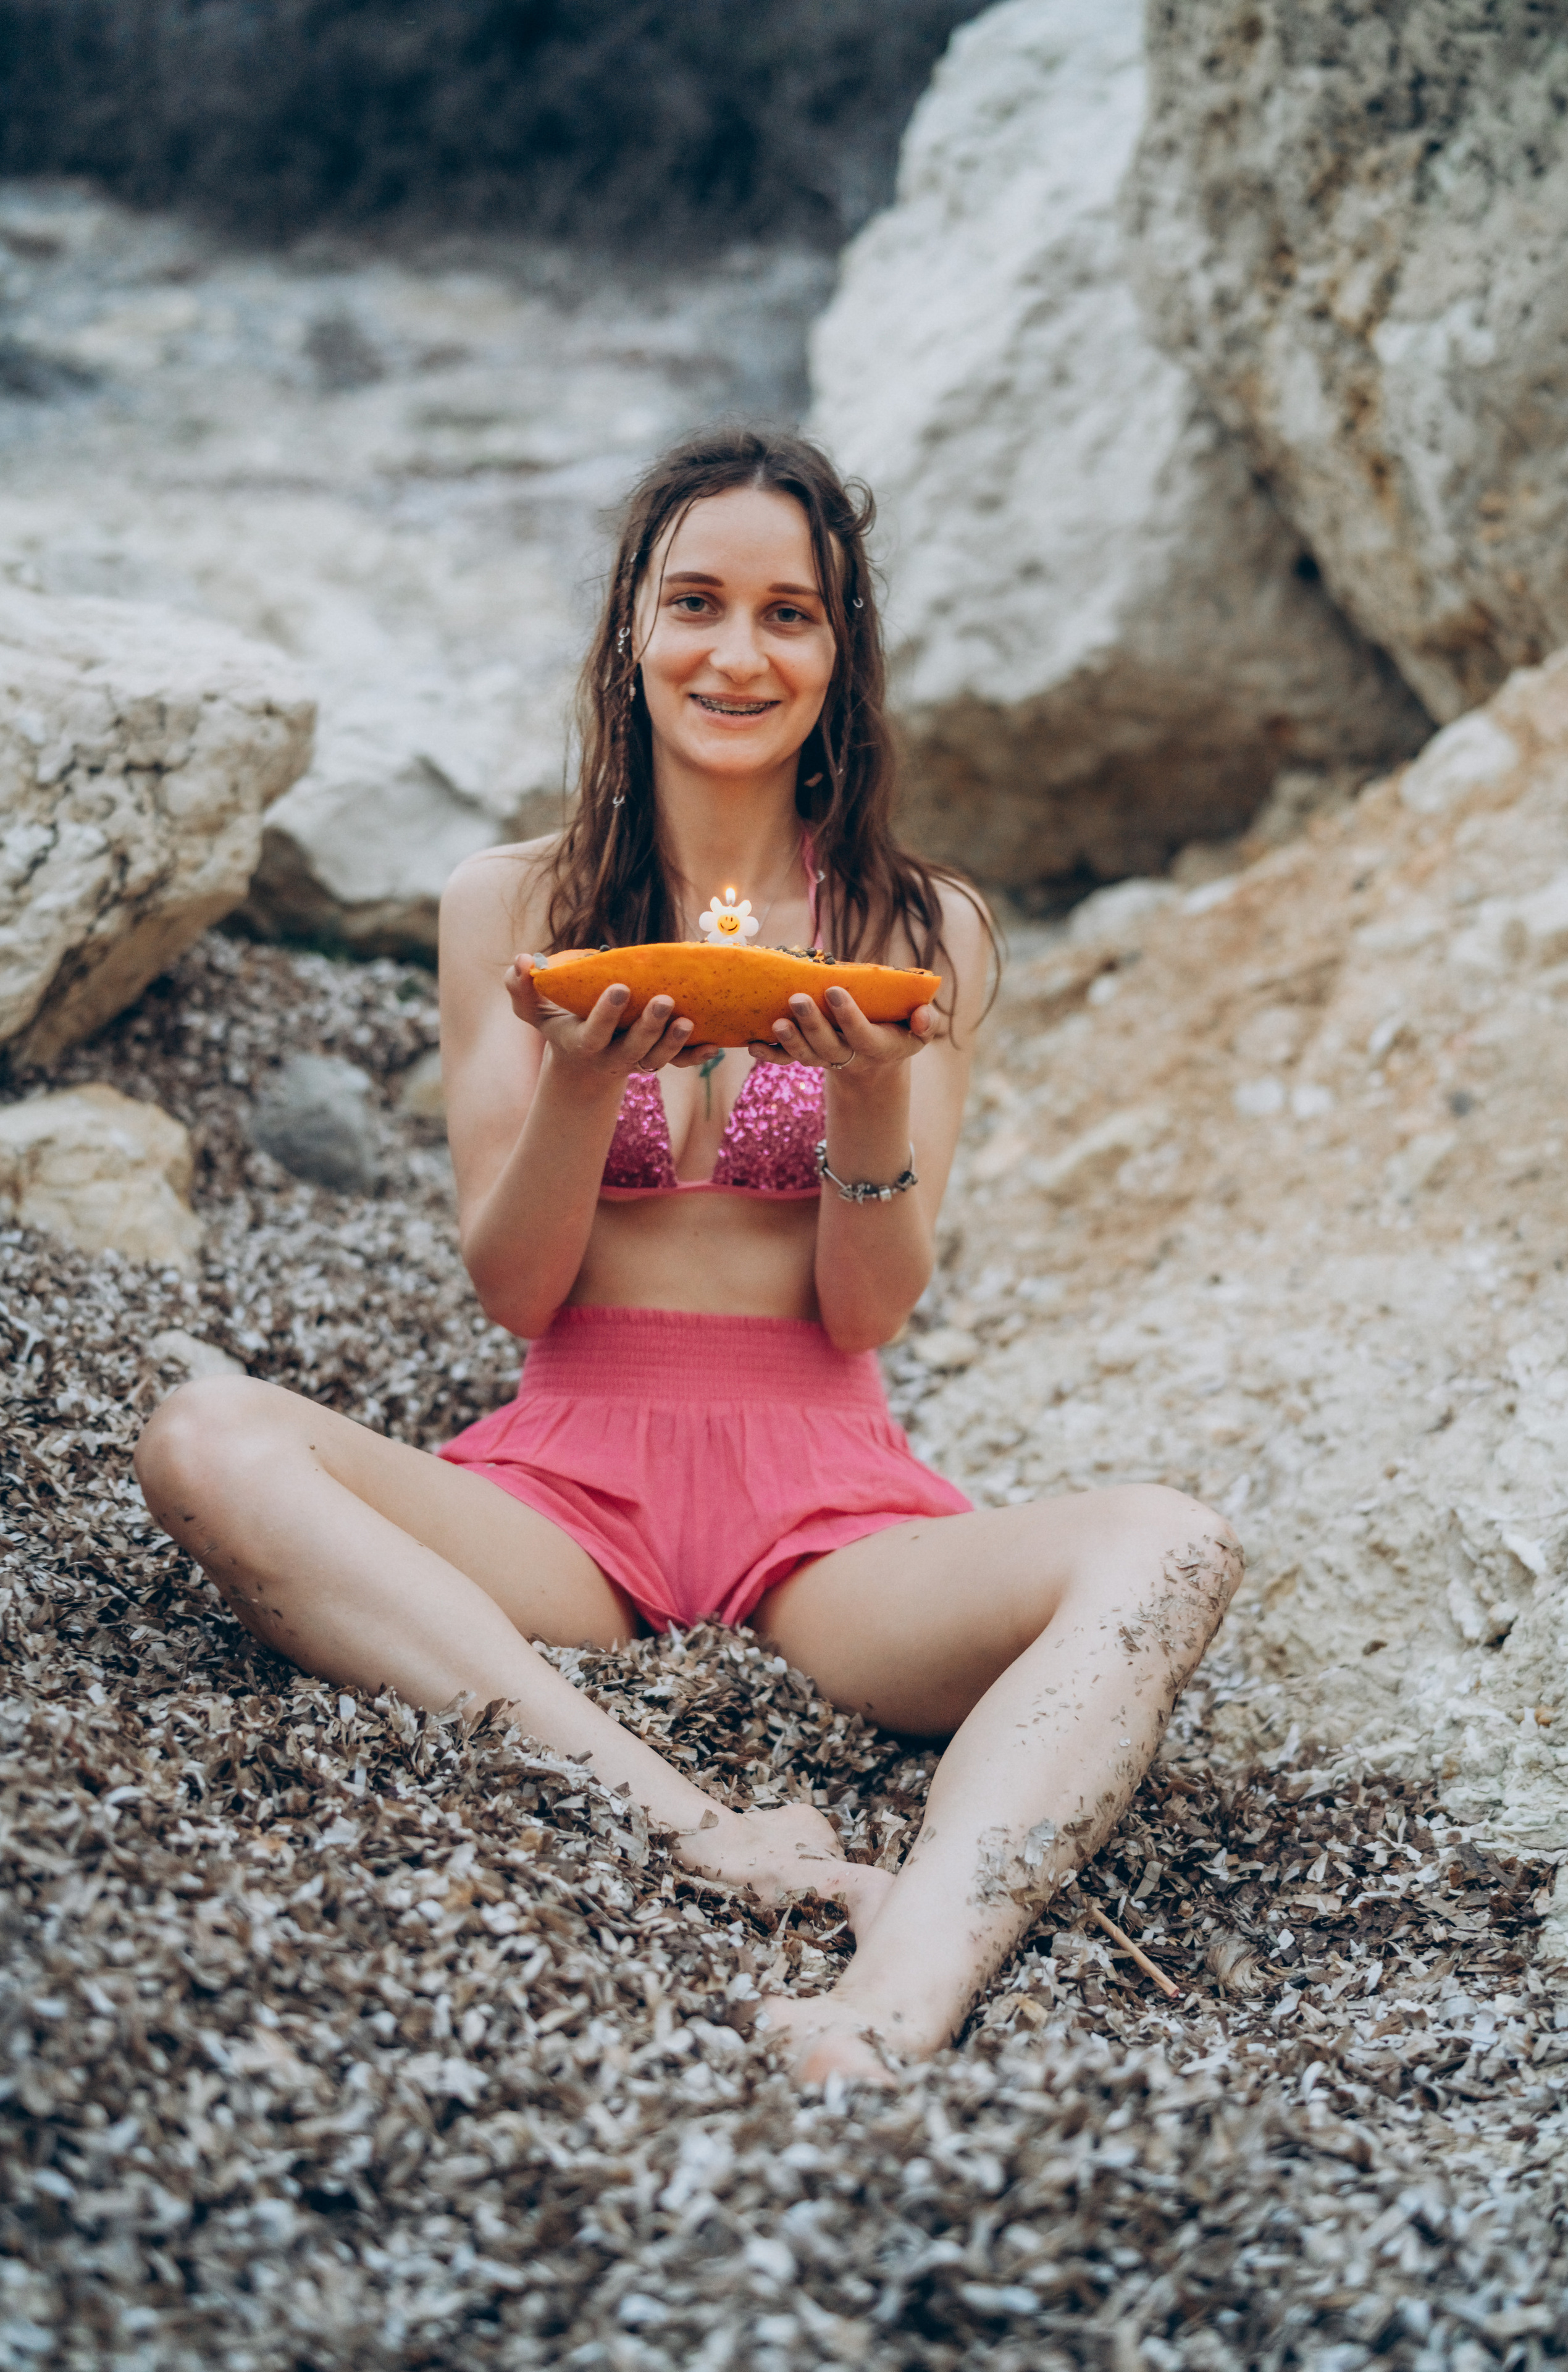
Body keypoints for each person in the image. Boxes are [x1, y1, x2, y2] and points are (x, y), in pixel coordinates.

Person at [135, 428, 1240, 2084]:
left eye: (790, 615)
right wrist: (580, 1087)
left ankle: (904, 1983)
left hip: (836, 1525)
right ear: (632, 636)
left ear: (840, 658)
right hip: (564, 1500)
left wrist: (866, 1112)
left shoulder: (923, 930)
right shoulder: (509, 905)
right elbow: (514, 1292)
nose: (739, 652)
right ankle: (680, 1813)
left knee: (1173, 1544)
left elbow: (875, 1305)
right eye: (697, 603)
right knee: (204, 1435)